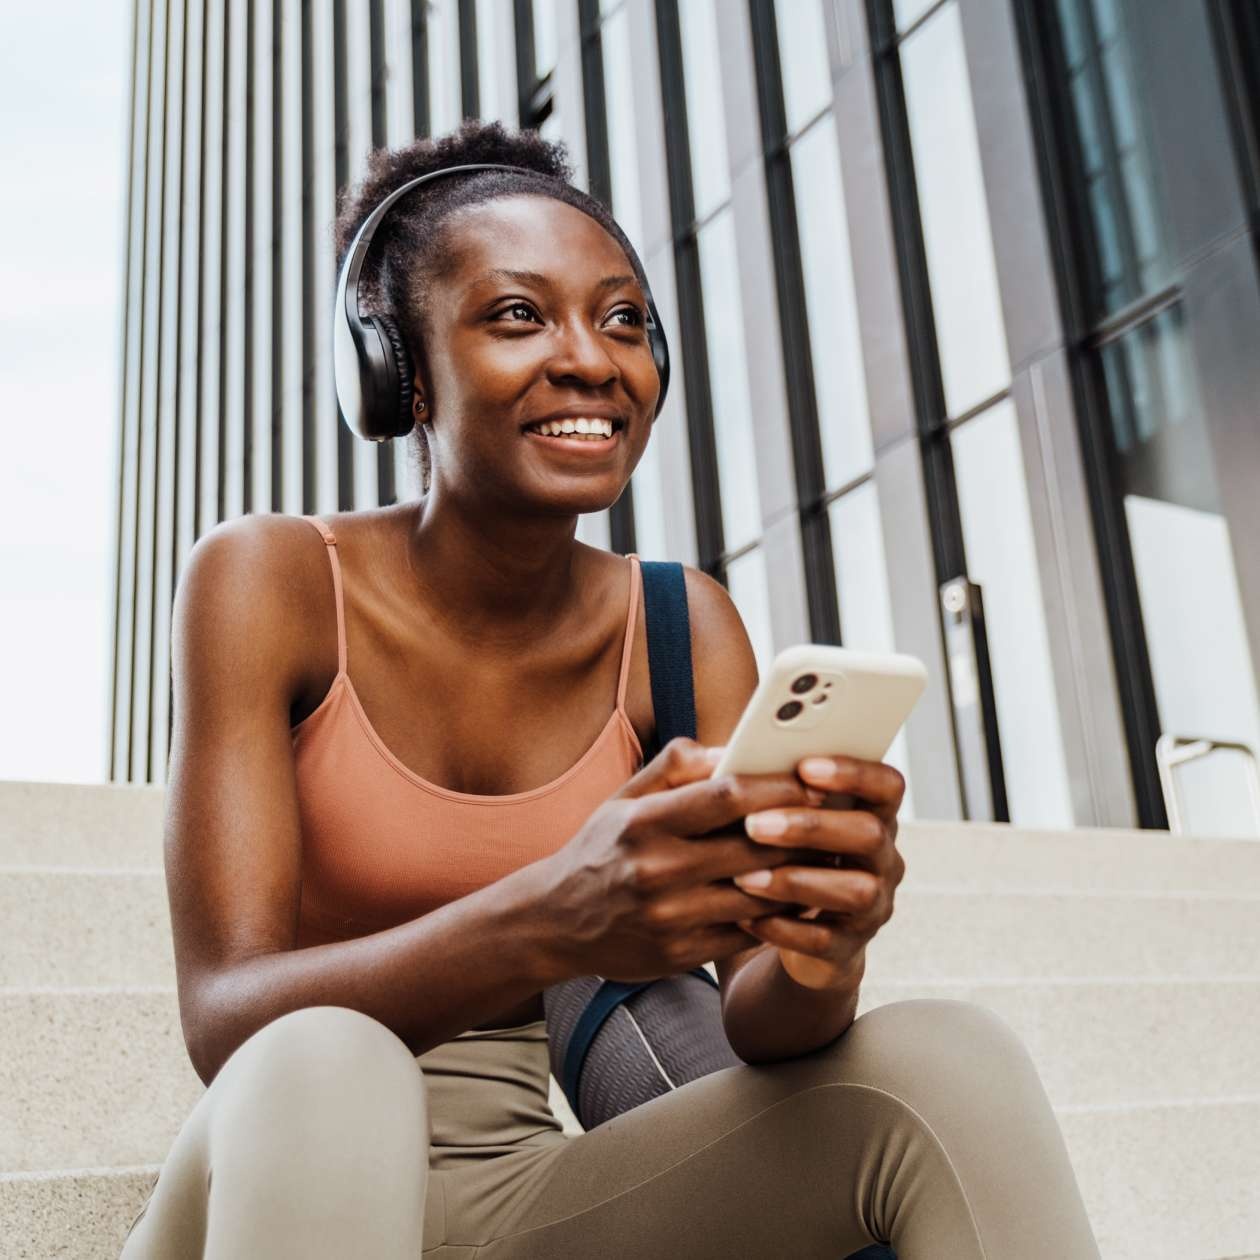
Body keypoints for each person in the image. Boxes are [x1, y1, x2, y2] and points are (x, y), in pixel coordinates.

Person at [120, 119, 1100, 1259]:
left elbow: (762, 1018)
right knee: (335, 1058)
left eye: (624, 320)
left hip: (526, 1198)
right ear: (399, 373)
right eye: (518, 315)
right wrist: (550, 916)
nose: (592, 359)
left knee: (945, 1065)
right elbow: (225, 1017)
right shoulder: (270, 580)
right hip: (274, 1176)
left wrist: (821, 948)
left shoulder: (680, 625)